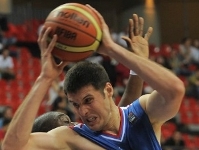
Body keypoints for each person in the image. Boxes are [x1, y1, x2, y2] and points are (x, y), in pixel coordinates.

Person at [2, 5, 185, 150]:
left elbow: (174, 91)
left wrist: (113, 49)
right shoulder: (73, 138)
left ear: (108, 90)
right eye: (75, 104)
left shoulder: (141, 113)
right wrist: (45, 78)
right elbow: (12, 147)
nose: (83, 112)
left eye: (88, 100)